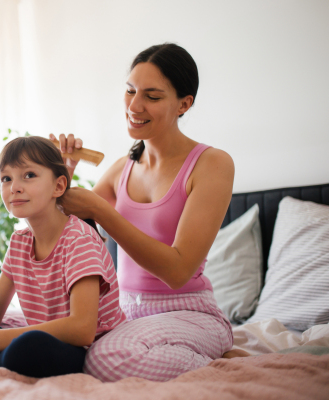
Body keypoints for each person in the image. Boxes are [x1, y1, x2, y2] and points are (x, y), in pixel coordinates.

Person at [51, 43, 236, 382]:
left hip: (188, 313)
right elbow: (65, 238)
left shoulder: (212, 164)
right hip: (124, 312)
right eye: (130, 91)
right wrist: (61, 175)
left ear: (184, 103)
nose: (134, 106)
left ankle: (217, 363)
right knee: (28, 326)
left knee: (104, 361)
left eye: (151, 96)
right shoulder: (122, 168)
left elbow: (178, 270)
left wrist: (103, 213)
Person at [0, 136, 125, 378]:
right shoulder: (20, 242)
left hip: (75, 346)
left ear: (59, 186)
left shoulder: (78, 240)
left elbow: (82, 329)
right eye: (6, 178)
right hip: (36, 333)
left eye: (28, 175)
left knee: (28, 347)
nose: (14, 187)